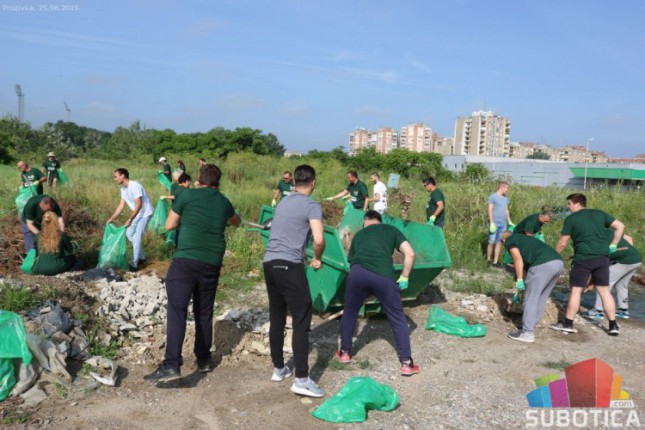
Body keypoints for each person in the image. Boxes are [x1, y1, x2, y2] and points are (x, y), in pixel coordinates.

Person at [144, 164, 241, 383]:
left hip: (186, 261)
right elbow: (236, 221)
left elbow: (169, 225)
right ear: (218, 182)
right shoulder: (223, 201)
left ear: (198, 179)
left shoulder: (186, 195)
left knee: (177, 310)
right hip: (212, 262)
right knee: (203, 311)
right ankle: (204, 359)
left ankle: (171, 365)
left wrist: (187, 222)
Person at [263, 164, 325, 397]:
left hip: (269, 263)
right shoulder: (311, 205)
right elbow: (318, 240)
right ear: (313, 182)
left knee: (277, 316)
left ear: (294, 181)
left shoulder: (284, 202)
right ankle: (302, 379)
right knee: (301, 317)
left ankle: (279, 368)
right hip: (290, 265)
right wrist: (317, 258)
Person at [336, 210, 419, 375]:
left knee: (350, 313)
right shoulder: (391, 230)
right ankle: (406, 364)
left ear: (366, 221)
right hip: (384, 277)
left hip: (357, 275)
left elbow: (351, 261)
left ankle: (345, 353)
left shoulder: (359, 235)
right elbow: (410, 253)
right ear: (379, 221)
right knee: (397, 318)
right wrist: (404, 276)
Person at [551, 193, 624, 336]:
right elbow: (620, 226)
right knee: (604, 291)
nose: (568, 207)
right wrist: (614, 244)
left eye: (569, 204)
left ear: (577, 203)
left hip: (583, 259)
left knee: (576, 290)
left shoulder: (571, 218)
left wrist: (552, 255)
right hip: (603, 258)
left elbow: (562, 243)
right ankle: (613, 325)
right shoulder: (599, 214)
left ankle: (568, 323)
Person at [501, 231, 564, 343]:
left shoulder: (510, 240)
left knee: (530, 299)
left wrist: (519, 280)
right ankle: (531, 324)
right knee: (541, 297)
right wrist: (521, 288)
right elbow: (526, 269)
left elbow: (517, 259)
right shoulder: (525, 241)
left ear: (503, 241)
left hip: (543, 264)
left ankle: (527, 332)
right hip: (558, 263)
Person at [107, 168, 154, 272]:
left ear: (122, 176)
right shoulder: (123, 188)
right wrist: (112, 218)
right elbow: (121, 205)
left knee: (137, 238)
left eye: (116, 176)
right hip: (137, 213)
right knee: (129, 234)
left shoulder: (135, 186)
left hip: (145, 213)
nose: (114, 179)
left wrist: (130, 219)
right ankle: (142, 258)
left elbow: (139, 204)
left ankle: (134, 264)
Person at [587, 231, 642, 320]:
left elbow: (598, 266)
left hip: (625, 261)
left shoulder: (594, 238)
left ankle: (598, 311)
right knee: (621, 285)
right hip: (636, 258)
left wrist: (591, 283)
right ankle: (623, 310)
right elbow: (629, 238)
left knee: (604, 284)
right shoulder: (608, 231)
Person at [31, 211, 76, 276]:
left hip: (38, 269)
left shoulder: (38, 236)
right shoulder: (61, 235)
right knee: (73, 258)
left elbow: (36, 252)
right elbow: (70, 250)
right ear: (56, 221)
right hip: (56, 268)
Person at [487, 181, 514, 267]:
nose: (507, 190)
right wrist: (491, 222)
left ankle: (495, 262)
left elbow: (506, 210)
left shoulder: (505, 198)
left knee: (499, 242)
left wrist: (509, 221)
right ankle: (488, 260)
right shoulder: (493, 197)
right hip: (494, 223)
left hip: (503, 224)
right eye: (506, 188)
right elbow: (490, 210)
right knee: (491, 242)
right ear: (502, 187)